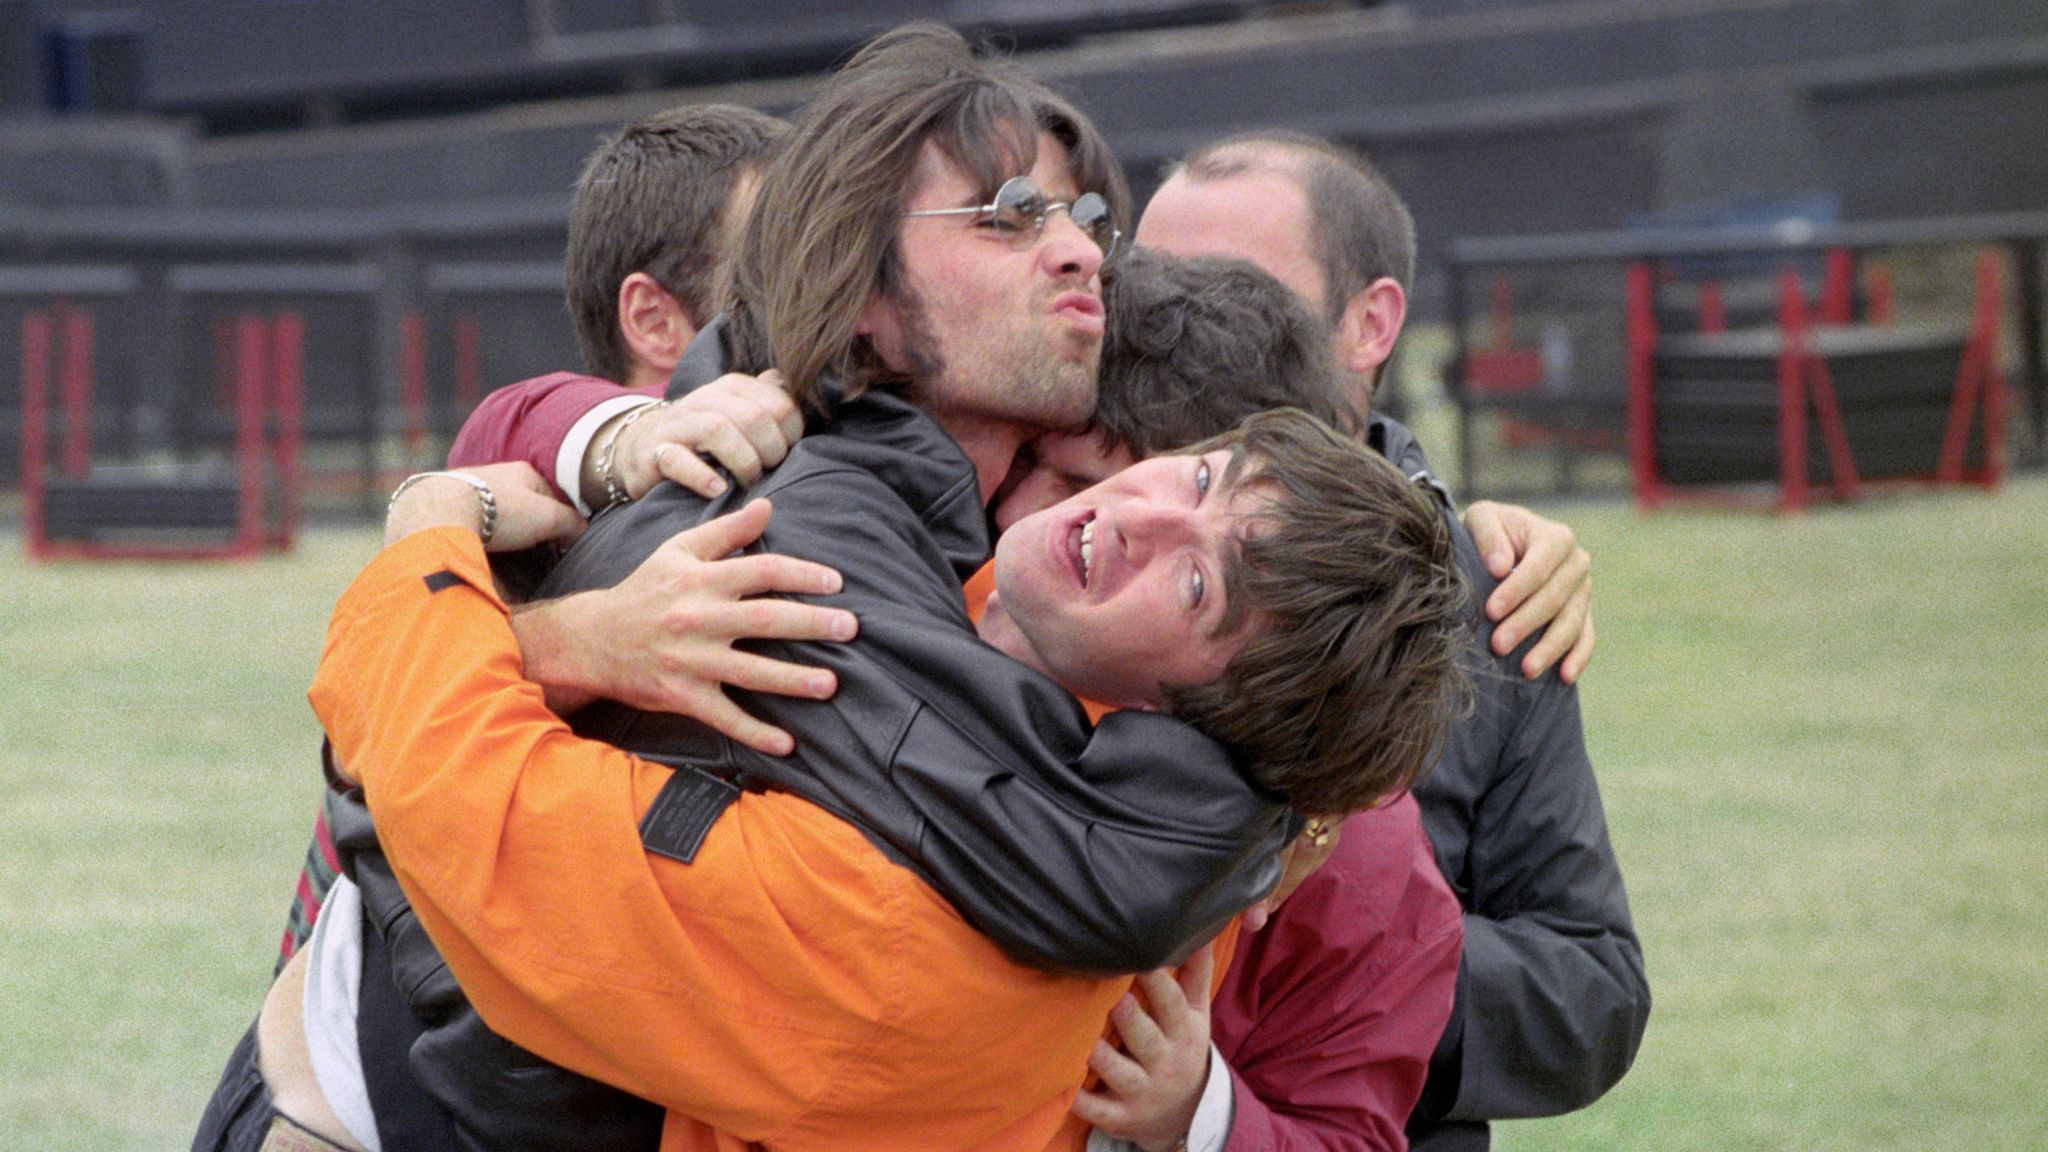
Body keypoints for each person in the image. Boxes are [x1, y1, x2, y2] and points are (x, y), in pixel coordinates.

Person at [196, 26, 1466, 1152]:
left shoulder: (960, 877)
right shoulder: (894, 525)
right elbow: (531, 430)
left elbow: (470, 810)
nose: (1106, 514)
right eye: (1015, 214)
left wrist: (431, 535)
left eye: (1078, 219)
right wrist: (572, 598)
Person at [1021, 130, 1649, 1151]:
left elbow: (1590, 996)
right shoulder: (1063, 511)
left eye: (1230, 284)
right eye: (1146, 275)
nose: (1174, 316)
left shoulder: (1485, 593)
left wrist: (1333, 947)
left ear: (1371, 323)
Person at [270, 101, 805, 971]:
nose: (823, 293)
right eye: (778, 267)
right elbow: (529, 421)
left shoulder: (811, 460)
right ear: (654, 321)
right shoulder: (535, 453)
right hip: (407, 1032)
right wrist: (633, 444)